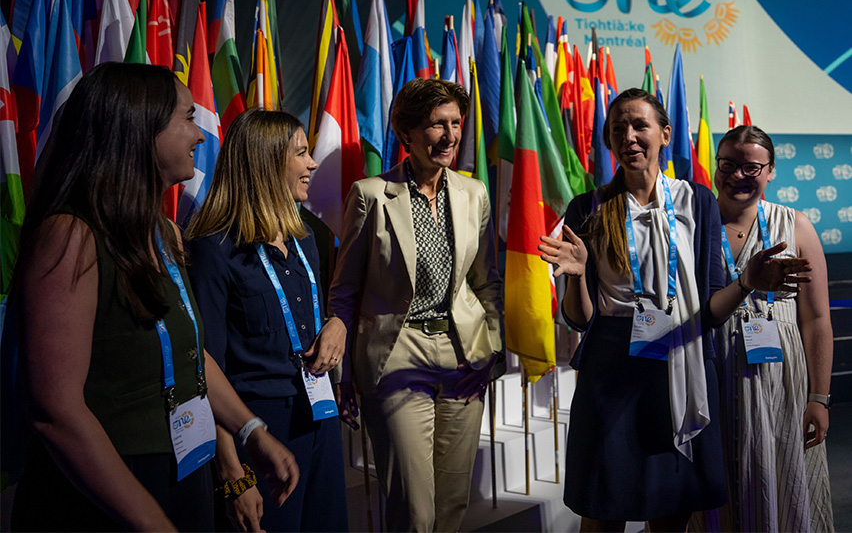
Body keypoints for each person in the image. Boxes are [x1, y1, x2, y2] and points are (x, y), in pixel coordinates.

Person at [9, 63, 298, 532]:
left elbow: (190, 353)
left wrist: (251, 431)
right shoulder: (69, 236)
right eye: (187, 118)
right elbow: (56, 411)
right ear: (139, 128)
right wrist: (152, 522)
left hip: (183, 473)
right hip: (105, 492)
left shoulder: (165, 233)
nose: (200, 134)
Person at [538, 89, 811, 532]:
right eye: (618, 128)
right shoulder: (587, 208)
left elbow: (711, 310)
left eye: (639, 126)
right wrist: (578, 274)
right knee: (604, 512)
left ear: (664, 135)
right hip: (611, 372)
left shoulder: (697, 202)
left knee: (673, 514)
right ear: (608, 140)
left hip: (682, 365)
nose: (629, 136)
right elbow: (581, 319)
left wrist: (747, 283)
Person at [322, 78, 505, 532]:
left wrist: (494, 346)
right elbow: (344, 289)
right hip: (396, 355)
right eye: (435, 124)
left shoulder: (474, 193)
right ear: (406, 134)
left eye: (455, 123)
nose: (449, 135)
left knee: (451, 507)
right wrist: (342, 375)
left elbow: (487, 280)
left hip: (465, 353)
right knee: (413, 512)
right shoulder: (370, 195)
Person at [185, 109, 348, 533]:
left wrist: (336, 324)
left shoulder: (304, 235)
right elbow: (204, 369)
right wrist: (233, 473)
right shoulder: (214, 248)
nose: (313, 164)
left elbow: (305, 316)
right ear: (266, 162)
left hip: (320, 417)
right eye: (300, 153)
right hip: (259, 430)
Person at [691, 126, 834, 532]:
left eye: (751, 167)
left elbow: (817, 319)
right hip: (710, 376)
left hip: (779, 384)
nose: (739, 175)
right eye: (729, 165)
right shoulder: (692, 224)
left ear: (770, 171)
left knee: (780, 485)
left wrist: (819, 397)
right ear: (715, 168)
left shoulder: (796, 226)